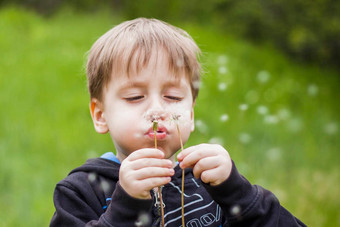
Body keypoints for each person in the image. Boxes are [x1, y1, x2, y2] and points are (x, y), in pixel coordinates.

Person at [50, 18, 306, 227]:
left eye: (172, 97)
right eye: (135, 96)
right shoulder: (81, 191)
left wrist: (239, 193)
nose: (157, 110)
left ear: (191, 115)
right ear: (100, 115)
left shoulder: (211, 181)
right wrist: (125, 207)